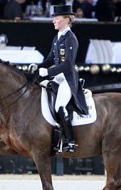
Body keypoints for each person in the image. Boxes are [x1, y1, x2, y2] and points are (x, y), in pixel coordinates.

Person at [29, 5, 88, 153]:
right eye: (54, 18)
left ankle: (70, 141)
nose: (54, 21)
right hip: (57, 78)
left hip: (67, 80)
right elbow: (50, 58)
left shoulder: (70, 38)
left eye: (57, 18)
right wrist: (38, 66)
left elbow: (68, 64)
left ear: (67, 20)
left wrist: (48, 72)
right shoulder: (57, 37)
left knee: (59, 106)